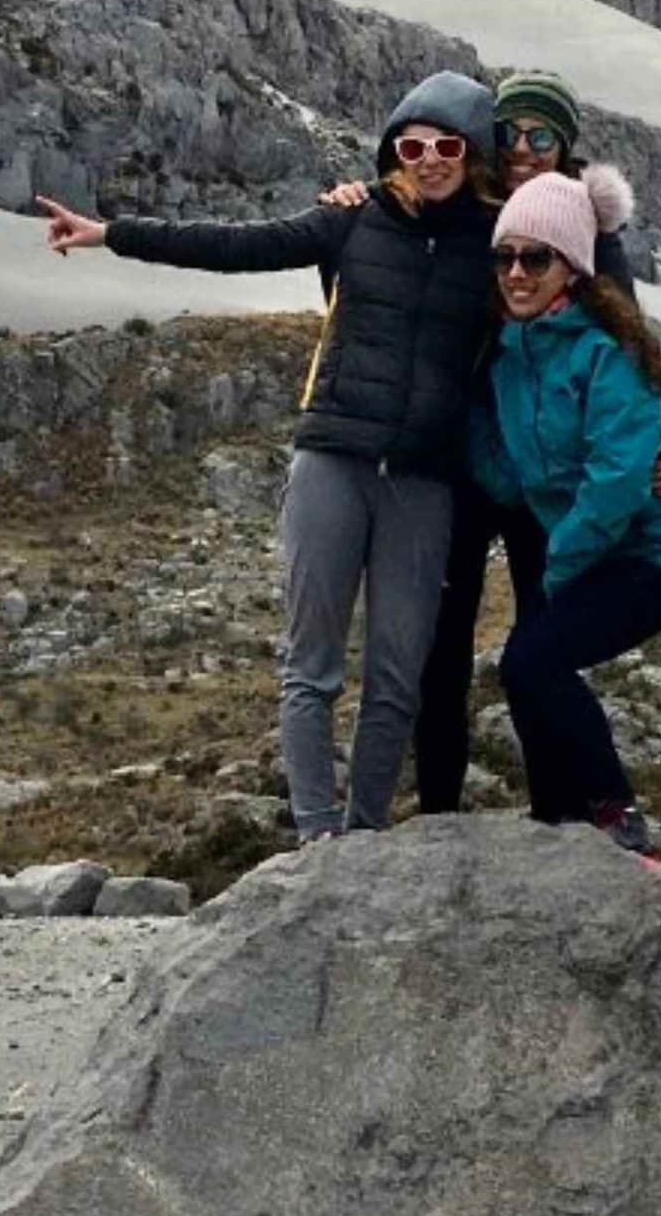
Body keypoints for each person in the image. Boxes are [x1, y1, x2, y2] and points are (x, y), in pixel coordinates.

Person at [36, 73, 505, 841]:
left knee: (397, 677)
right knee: (311, 666)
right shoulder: (350, 219)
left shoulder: (496, 243)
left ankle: (363, 836)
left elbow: (576, 289)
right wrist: (111, 233)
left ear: (474, 153)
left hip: (423, 479)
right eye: (412, 146)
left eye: (447, 147)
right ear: (393, 151)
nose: (429, 160)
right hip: (333, 459)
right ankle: (317, 838)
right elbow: (237, 246)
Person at [466, 166, 661, 854]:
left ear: (573, 270)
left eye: (536, 258)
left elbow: (616, 481)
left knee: (533, 662)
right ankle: (558, 821)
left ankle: (616, 815)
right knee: (528, 665)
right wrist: (474, 446)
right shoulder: (509, 355)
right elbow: (509, 469)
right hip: (595, 551)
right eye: (504, 256)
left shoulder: (610, 354)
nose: (516, 273)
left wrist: (559, 568)